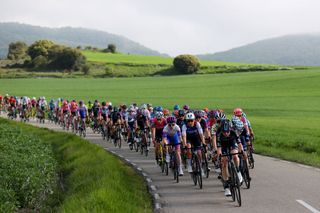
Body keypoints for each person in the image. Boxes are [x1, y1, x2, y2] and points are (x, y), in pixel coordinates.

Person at [216, 119, 243, 197]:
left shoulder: (233, 131)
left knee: (235, 155)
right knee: (224, 162)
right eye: (224, 132)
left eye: (227, 132)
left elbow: (239, 143)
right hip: (223, 146)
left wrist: (241, 151)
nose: (226, 133)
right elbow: (219, 149)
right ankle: (226, 186)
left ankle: (238, 171)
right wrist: (220, 155)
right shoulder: (219, 134)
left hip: (232, 143)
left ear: (230, 129)